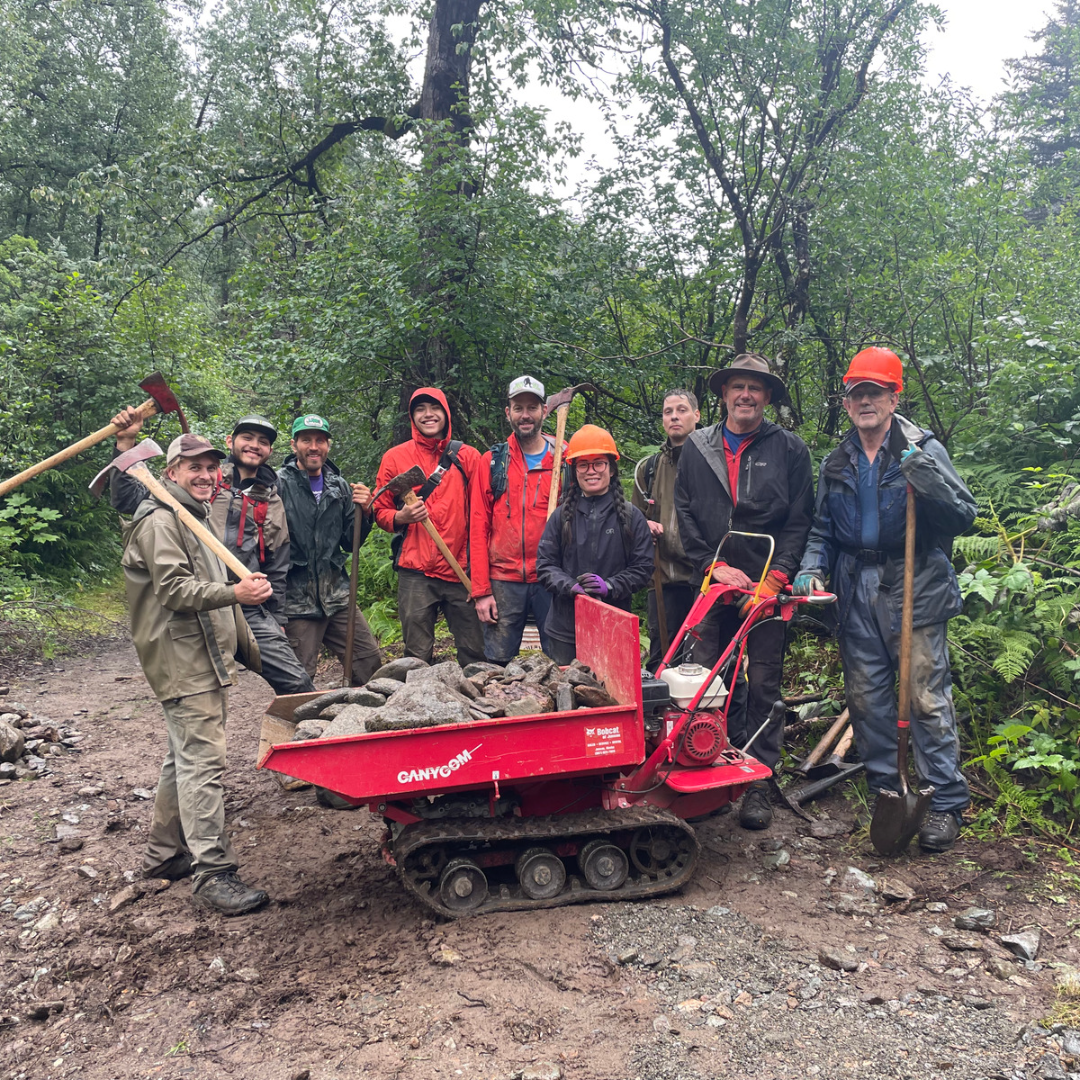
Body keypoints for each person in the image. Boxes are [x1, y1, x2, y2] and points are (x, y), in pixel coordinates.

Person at [793, 347, 977, 852]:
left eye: (876, 391)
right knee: (868, 697)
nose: (866, 400)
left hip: (913, 580)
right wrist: (811, 567)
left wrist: (928, 480)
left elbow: (964, 515)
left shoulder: (922, 448)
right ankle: (887, 790)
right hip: (855, 585)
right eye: (857, 393)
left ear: (895, 397)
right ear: (848, 402)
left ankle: (943, 802)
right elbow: (822, 529)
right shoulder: (838, 459)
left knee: (924, 695)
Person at [121, 433, 272, 915]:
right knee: (203, 764)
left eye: (211, 466)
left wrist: (254, 654)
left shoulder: (193, 516)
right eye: (193, 468)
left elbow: (214, 593)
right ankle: (213, 872)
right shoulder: (161, 521)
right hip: (183, 661)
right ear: (171, 474)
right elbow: (175, 591)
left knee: (181, 757)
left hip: (201, 657)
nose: (206, 475)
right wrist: (236, 595)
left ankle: (164, 854)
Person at [675, 353, 814, 830]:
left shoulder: (790, 450)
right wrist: (713, 568)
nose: (746, 395)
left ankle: (759, 782)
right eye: (738, 386)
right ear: (724, 394)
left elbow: (800, 521)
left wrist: (777, 578)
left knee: (765, 684)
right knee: (707, 680)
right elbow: (685, 511)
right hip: (717, 582)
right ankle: (710, 769)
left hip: (768, 585)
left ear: (767, 396)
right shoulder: (697, 445)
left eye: (755, 388)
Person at [109, 408, 316, 696]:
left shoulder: (273, 497)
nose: (254, 445)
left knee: (297, 684)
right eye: (247, 437)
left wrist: (277, 618)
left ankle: (302, 739)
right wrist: (125, 445)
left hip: (248, 608)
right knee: (204, 697)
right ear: (230, 441)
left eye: (263, 441)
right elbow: (126, 499)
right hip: (199, 601)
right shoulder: (201, 482)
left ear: (270, 451)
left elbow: (277, 565)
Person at [372, 388, 485, 666]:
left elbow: (483, 513)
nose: (428, 414)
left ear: (446, 413)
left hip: (460, 568)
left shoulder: (468, 456)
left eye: (435, 408)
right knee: (416, 654)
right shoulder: (395, 457)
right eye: (420, 409)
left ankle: (478, 704)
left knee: (475, 650)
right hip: (415, 571)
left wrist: (481, 573)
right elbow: (379, 510)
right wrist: (401, 517)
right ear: (412, 417)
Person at [277, 414, 382, 684]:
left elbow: (351, 542)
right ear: (293, 444)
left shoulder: (340, 486)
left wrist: (366, 512)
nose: (314, 447)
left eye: (320, 440)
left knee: (369, 663)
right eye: (306, 440)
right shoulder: (277, 485)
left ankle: (361, 720)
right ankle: (300, 727)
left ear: (328, 446)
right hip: (297, 601)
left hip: (337, 597)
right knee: (298, 679)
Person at [535, 425, 654, 665]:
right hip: (565, 629)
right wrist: (571, 587)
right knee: (566, 695)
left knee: (613, 697)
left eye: (599, 463)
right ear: (574, 470)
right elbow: (545, 565)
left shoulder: (630, 517)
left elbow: (643, 568)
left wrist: (610, 586)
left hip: (614, 626)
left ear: (611, 468)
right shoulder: (561, 517)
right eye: (583, 464)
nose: (591, 471)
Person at [470, 376, 559, 664]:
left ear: (544, 411)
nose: (525, 415)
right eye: (518, 407)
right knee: (496, 664)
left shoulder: (564, 460)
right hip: (503, 581)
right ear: (507, 412)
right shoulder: (493, 462)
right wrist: (481, 591)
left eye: (532, 407)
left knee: (561, 662)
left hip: (552, 579)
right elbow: (478, 528)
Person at [632, 389, 701, 670]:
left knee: (705, 659)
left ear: (696, 415)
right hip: (663, 582)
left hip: (705, 580)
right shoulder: (648, 469)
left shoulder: (715, 461)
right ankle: (663, 716)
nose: (674, 416)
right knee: (663, 662)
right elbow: (633, 520)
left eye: (682, 410)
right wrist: (643, 525)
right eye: (668, 411)